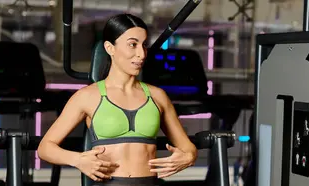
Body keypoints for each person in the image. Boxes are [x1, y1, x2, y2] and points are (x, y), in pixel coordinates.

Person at [38, 14, 197, 186]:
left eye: (144, 45)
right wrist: (77, 159)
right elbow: (45, 148)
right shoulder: (87, 96)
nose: (141, 54)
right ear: (110, 48)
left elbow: (188, 148)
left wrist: (188, 157)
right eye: (132, 44)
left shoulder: (157, 96)